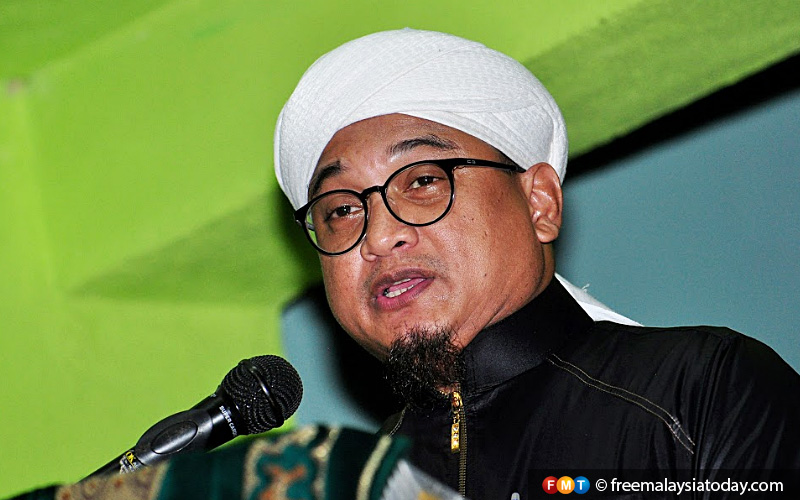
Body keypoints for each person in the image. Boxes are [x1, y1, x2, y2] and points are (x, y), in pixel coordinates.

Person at [273, 29, 800, 498]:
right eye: (341, 210)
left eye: (424, 181)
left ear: (539, 203)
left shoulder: (701, 393)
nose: (380, 235)